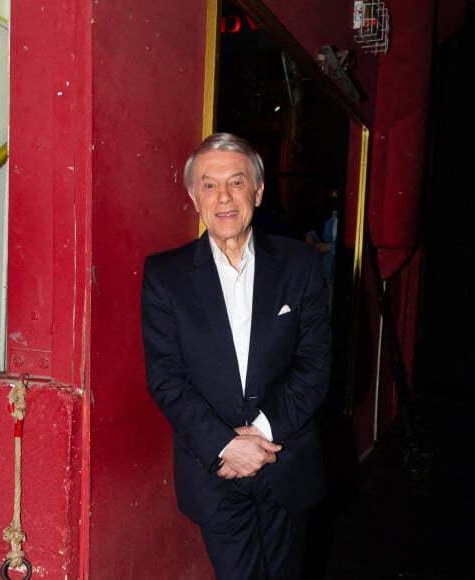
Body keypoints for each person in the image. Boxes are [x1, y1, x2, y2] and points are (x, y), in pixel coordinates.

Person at [141, 133, 332, 579]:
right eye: (208, 185)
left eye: (236, 182)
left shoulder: (300, 264)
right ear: (193, 196)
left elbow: (315, 364)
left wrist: (261, 436)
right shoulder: (165, 275)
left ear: (258, 191)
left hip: (284, 460)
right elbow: (165, 377)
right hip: (215, 469)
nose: (223, 197)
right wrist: (227, 445)